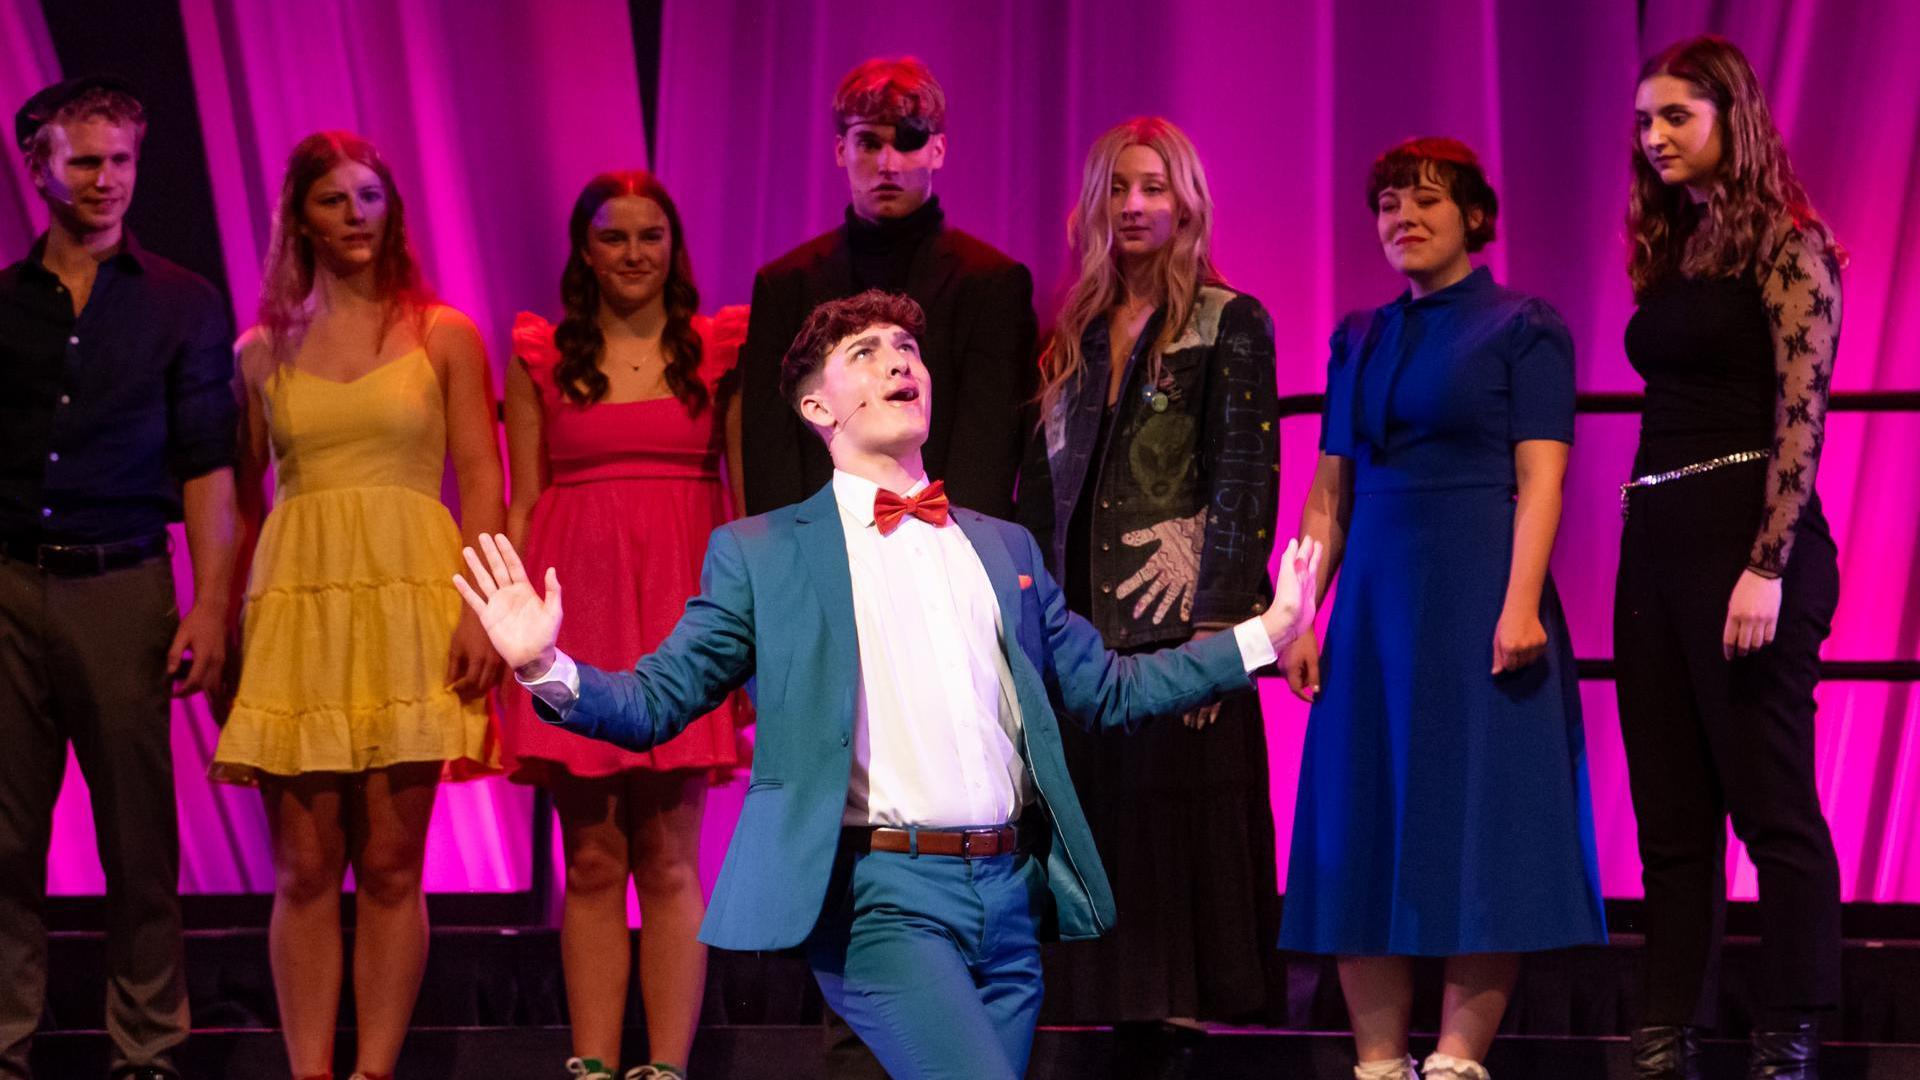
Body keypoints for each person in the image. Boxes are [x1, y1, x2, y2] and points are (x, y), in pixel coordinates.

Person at [454, 290, 1323, 1080]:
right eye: (865, 353)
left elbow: (1108, 688)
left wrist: (1262, 634)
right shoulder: (764, 552)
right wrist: (544, 665)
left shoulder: (1002, 547)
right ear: (816, 407)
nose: (899, 359)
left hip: (1008, 901)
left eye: (907, 345)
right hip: (885, 899)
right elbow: (656, 702)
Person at [1275, 138, 1607, 1080]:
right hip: (1376, 603)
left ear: (1473, 217)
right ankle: (1379, 1063)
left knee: (1481, 819)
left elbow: (1541, 479)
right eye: (1387, 204)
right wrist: (1300, 614)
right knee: (1359, 813)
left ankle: (1459, 1060)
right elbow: (1328, 490)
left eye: (1425, 200)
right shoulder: (1360, 335)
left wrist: (1521, 603)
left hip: (1479, 594)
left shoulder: (1522, 326)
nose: (1402, 218)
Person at [212, 130, 504, 1080]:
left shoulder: (443, 332)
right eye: (334, 200)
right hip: (299, 605)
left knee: (388, 861)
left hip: (413, 600)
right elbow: (242, 503)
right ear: (300, 215)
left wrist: (482, 610)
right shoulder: (261, 352)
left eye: (370, 198)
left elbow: (484, 483)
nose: (355, 217)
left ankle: (374, 1069)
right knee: (303, 866)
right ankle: (309, 1071)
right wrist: (227, 619)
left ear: (394, 210)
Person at [1015, 117, 1282, 1040]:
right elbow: (1043, 492)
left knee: (1181, 852)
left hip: (1178, 635)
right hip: (1081, 633)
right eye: (1120, 188)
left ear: (1186, 202)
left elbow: (1248, 477)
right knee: (1096, 841)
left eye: (1154, 187)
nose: (1134, 205)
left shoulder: (1227, 318)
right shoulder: (1074, 332)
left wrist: (1219, 632)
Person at [0, 75, 236, 1080]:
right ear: (39, 165)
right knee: (4, 841)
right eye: (86, 161)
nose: (107, 181)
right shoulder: (5, 304)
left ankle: (148, 1050)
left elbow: (208, 465)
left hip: (126, 584)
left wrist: (213, 604)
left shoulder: (180, 302)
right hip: (9, 586)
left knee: (139, 840)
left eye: (122, 161)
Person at [1618, 35, 1844, 1080]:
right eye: (1646, 120)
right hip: (1656, 540)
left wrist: (1768, 562)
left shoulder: (1789, 246)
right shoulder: (1677, 245)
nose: (1654, 137)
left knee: (1770, 802)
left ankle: (1788, 1030)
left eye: (1675, 117)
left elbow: (1803, 420)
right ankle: (1670, 1029)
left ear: (1730, 119)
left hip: (1750, 544)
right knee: (1668, 815)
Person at [500, 170, 749, 1080]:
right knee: (594, 856)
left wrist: (752, 634)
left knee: (671, 856)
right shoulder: (539, 354)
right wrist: (511, 633)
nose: (634, 254)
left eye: (651, 236)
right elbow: (526, 501)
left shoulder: (718, 348)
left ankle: (668, 1067)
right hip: (579, 611)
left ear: (674, 247)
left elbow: (747, 504)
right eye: (614, 238)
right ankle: (594, 1064)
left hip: (683, 615)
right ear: (584, 250)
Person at [737, 56, 1035, 520]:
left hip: (945, 538)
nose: (888, 163)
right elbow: (770, 445)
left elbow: (989, 445)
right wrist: (789, 554)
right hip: (821, 539)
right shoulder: (785, 285)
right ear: (841, 150)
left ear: (938, 150)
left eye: (909, 141)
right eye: (869, 142)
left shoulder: (992, 283)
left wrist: (964, 554)